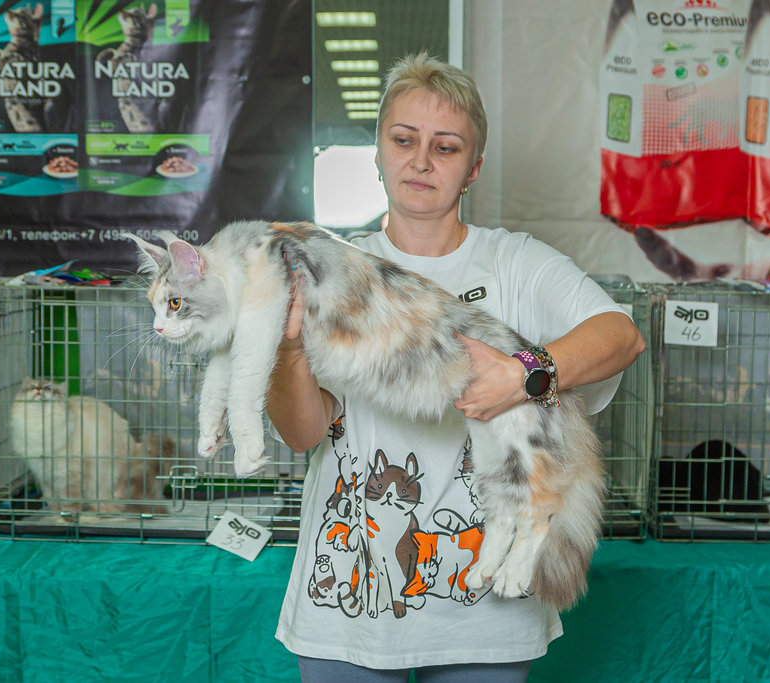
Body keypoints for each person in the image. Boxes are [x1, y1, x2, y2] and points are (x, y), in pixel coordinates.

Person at [268, 52, 646, 682]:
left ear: (473, 168)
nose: (421, 161)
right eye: (403, 140)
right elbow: (302, 434)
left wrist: (525, 373)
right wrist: (286, 351)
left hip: (484, 606)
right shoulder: (331, 268)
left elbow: (621, 335)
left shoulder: (514, 262)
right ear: (378, 152)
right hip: (351, 600)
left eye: (445, 147)